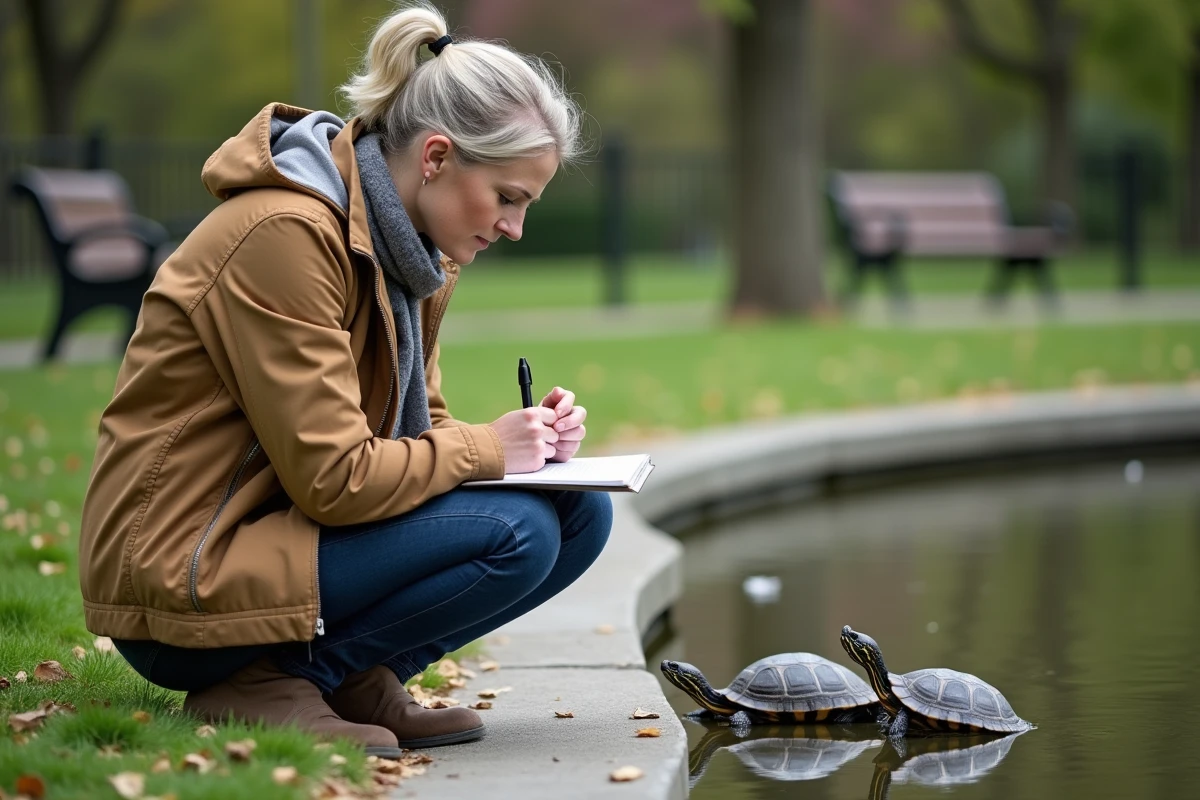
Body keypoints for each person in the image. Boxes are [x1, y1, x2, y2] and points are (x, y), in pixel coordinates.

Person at [78, 2, 611, 757]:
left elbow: (416, 436)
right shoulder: (284, 236)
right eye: (508, 198)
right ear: (435, 158)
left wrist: (531, 445)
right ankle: (266, 684)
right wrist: (489, 451)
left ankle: (352, 674)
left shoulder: (409, 252)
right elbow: (334, 477)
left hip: (282, 542)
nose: (514, 227)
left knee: (580, 512)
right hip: (185, 581)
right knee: (514, 531)